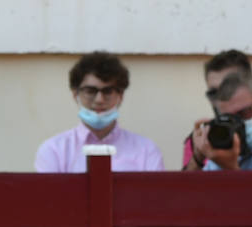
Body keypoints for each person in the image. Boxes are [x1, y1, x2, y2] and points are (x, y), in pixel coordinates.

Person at [34, 52, 163, 173]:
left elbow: (154, 196)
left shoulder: (146, 151)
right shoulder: (54, 151)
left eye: (108, 91)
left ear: (121, 95)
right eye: (90, 91)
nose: (99, 100)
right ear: (75, 94)